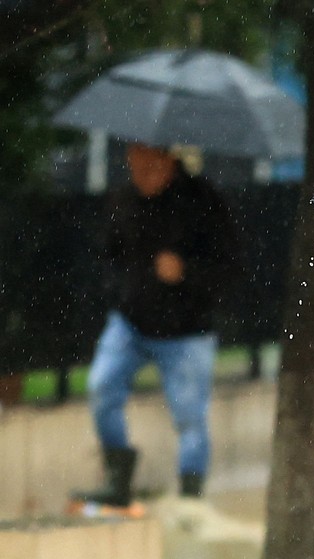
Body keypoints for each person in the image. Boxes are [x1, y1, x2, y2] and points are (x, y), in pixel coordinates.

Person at [75, 142, 239, 508]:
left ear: (169, 161)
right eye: (133, 166)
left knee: (189, 417)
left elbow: (229, 269)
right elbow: (110, 256)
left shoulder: (203, 202)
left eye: (148, 166)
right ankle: (118, 478)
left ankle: (190, 498)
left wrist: (186, 272)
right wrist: (120, 293)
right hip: (131, 323)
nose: (139, 175)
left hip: (187, 331)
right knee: (102, 387)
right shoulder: (124, 201)